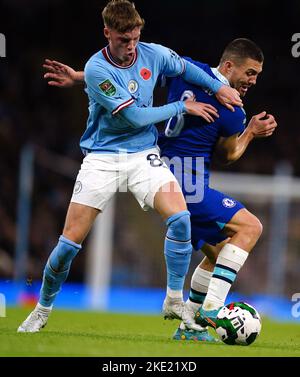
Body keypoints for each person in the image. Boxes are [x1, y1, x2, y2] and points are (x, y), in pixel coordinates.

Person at [17, 0, 242, 333]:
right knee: (68, 245)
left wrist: (218, 86)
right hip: (102, 159)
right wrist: (182, 106)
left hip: (142, 156)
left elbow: (185, 69)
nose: (131, 46)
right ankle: (42, 308)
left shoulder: (152, 53)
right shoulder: (96, 69)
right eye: (124, 39)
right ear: (107, 33)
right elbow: (135, 116)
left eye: (135, 38)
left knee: (180, 220)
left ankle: (173, 299)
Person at [158, 38, 277, 341]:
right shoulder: (232, 108)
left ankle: (190, 328)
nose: (252, 81)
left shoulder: (185, 70)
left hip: (157, 172)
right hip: (188, 184)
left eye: (257, 75)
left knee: (221, 253)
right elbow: (227, 156)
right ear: (227, 66)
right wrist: (250, 131)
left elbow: (151, 66)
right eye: (250, 73)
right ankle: (213, 309)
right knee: (250, 227)